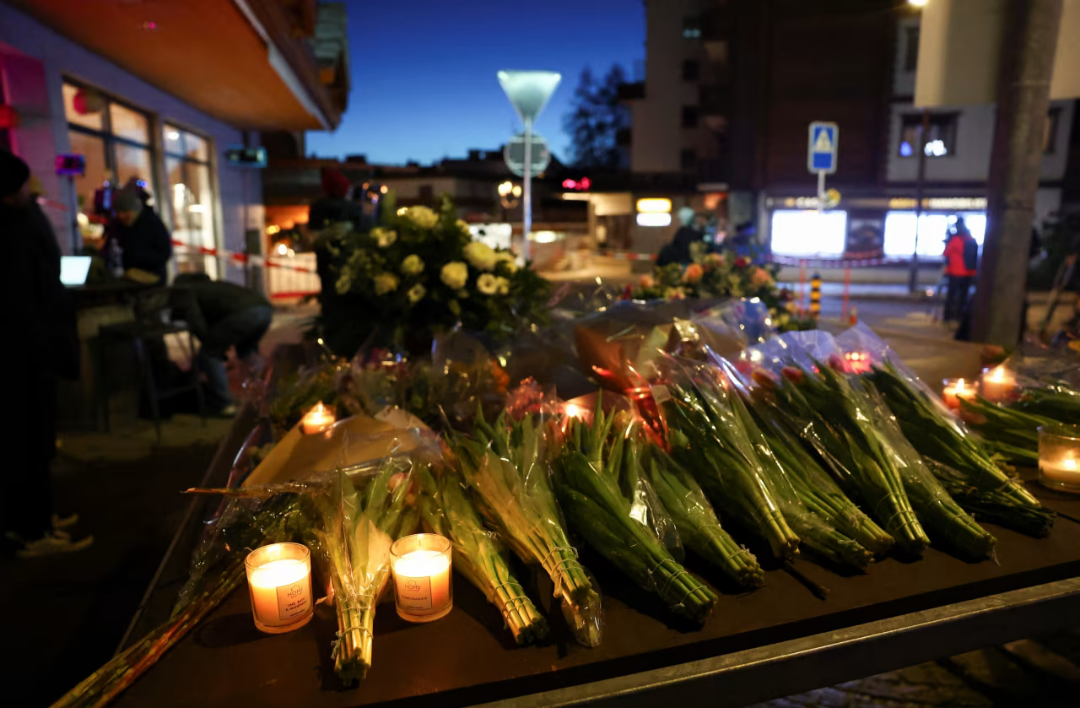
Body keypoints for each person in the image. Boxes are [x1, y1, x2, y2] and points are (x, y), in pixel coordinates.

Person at [0, 150, 91, 557]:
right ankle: (33, 530)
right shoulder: (11, 231)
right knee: (28, 441)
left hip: (29, 352)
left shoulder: (18, 223)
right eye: (24, 184)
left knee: (34, 441)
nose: (30, 190)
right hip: (22, 358)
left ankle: (36, 517)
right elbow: (24, 300)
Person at [171, 273, 274, 415]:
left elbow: (196, 320)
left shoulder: (189, 291)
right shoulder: (213, 287)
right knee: (247, 351)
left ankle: (225, 403)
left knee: (208, 354)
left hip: (245, 313)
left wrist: (209, 342)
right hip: (265, 310)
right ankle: (265, 393)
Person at [104, 187, 173, 283]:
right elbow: (108, 248)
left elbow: (165, 252)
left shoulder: (152, 222)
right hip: (122, 279)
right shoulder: (117, 225)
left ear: (135, 210)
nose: (121, 216)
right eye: (118, 212)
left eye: (125, 211)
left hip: (151, 279)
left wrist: (136, 259)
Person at [942, 216, 978, 323]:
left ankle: (949, 316)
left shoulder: (955, 239)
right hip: (968, 272)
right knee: (963, 295)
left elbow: (946, 253)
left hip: (955, 272)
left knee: (952, 295)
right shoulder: (970, 238)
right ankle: (959, 316)